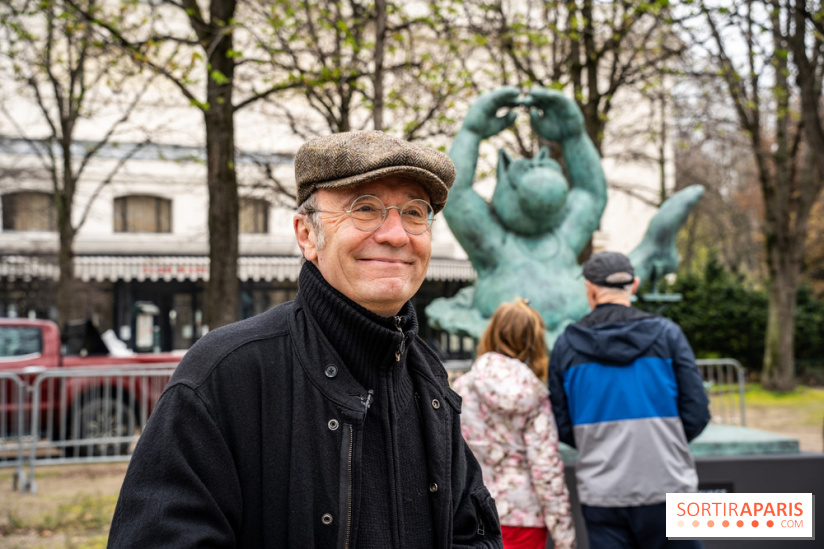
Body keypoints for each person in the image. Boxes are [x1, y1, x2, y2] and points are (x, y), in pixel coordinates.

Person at [107, 130, 503, 548]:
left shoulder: (427, 376)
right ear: (307, 235)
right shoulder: (225, 374)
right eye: (365, 208)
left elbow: (471, 533)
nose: (396, 234)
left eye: (415, 212)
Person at [548, 251, 711, 549]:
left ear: (590, 288)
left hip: (602, 491)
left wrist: (600, 443)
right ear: (634, 285)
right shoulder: (668, 335)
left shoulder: (566, 345)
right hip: (667, 484)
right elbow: (697, 412)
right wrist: (664, 440)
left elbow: (561, 422)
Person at [454, 298, 576, 549]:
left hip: (472, 514)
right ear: (533, 341)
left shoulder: (462, 388)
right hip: (524, 518)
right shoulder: (534, 394)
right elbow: (546, 469)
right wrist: (565, 537)